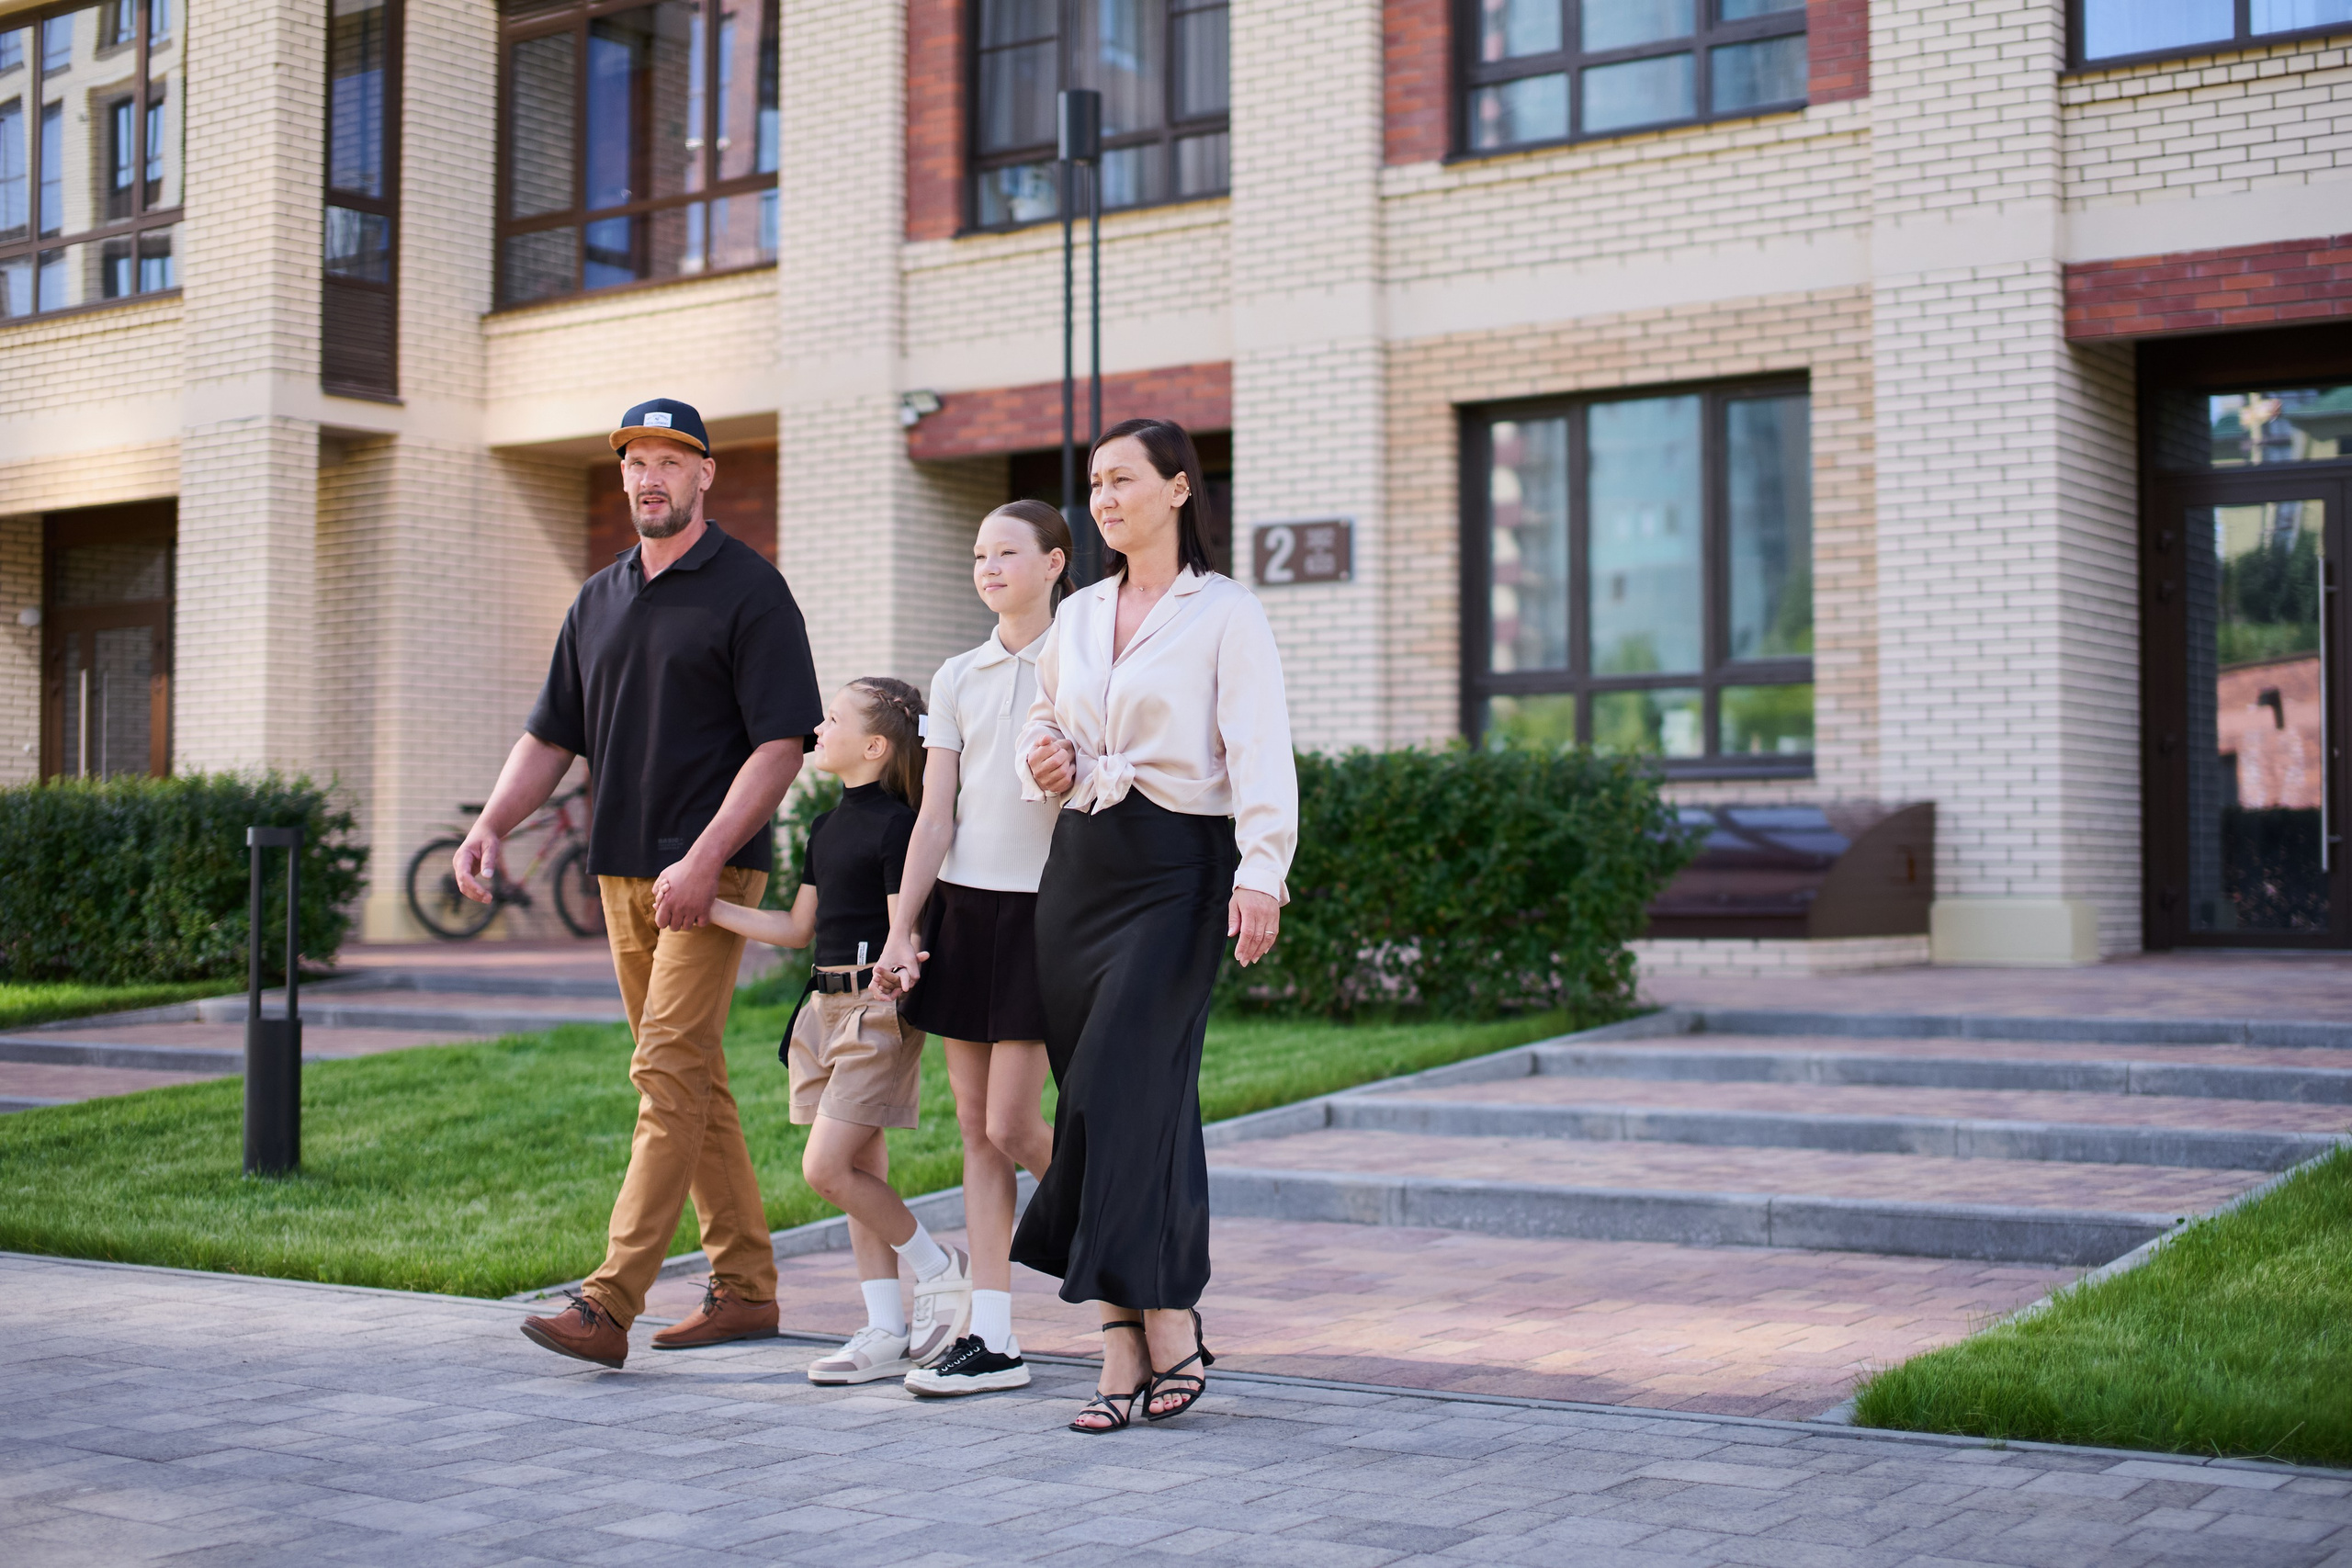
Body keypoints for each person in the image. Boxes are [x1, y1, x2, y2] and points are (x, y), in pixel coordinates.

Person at [469, 399, 823, 1371]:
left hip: (709, 875)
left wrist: (706, 857)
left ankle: (608, 1300)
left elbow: (781, 744)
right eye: (637, 461)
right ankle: (746, 1288)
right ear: (622, 476)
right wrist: (493, 824)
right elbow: (551, 735)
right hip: (621, 871)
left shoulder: (751, 591)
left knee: (664, 1074)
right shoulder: (599, 598)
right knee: (694, 1077)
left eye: (672, 459)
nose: (651, 477)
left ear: (705, 475)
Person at [1009, 418, 1297, 1432]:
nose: (1104, 499)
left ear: (1178, 489)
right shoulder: (1079, 614)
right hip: (1081, 871)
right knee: (1124, 1103)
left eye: (1123, 479)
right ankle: (1145, 1326)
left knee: (1120, 1093)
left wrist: (1261, 875)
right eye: (1093, 484)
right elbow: (1042, 721)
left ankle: (1132, 1335)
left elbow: (1260, 751)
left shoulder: (1226, 614)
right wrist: (1041, 752)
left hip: (1180, 869)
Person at [706, 678, 975, 1385]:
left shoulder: (896, 826)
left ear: (876, 745)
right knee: (861, 1172)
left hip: (874, 1010)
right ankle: (885, 1329)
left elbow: (902, 926)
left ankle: (939, 1269)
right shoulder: (826, 827)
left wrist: (900, 965)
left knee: (825, 1169)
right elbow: (799, 929)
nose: (816, 728)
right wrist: (711, 909)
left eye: (831, 719)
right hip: (821, 1010)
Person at [875, 501, 1070, 1397]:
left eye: (1007, 552)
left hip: (1047, 912)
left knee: (1013, 1123)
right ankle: (992, 1337)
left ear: (1055, 563)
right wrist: (903, 925)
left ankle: (1118, 1247)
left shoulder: (1084, 664)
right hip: (964, 910)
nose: (988, 566)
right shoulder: (957, 674)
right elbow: (935, 813)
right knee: (974, 1134)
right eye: (979, 552)